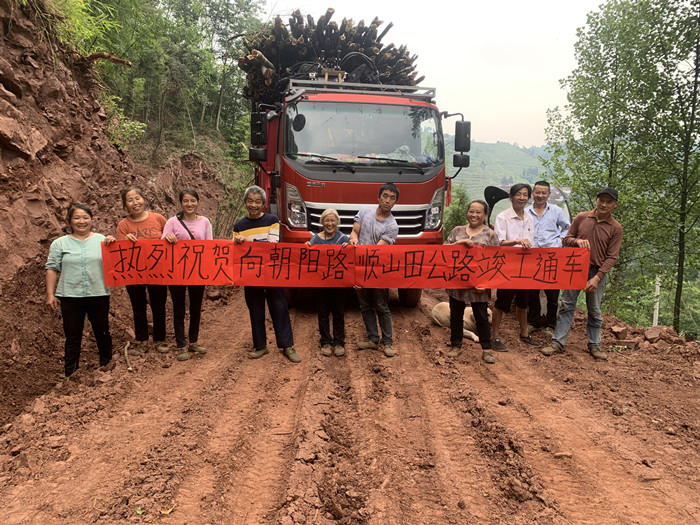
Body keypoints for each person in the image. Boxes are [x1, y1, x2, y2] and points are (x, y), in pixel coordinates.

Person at [541, 187, 623, 360]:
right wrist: (577, 241)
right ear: (596, 200)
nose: (604, 204)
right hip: (574, 268)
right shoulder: (582, 217)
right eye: (601, 200)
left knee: (594, 310)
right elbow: (566, 239)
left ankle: (594, 344)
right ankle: (557, 342)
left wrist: (597, 278)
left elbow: (612, 257)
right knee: (566, 305)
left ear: (615, 205)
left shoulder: (615, 228)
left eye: (609, 202)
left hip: (596, 272)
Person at [233, 185, 300, 364]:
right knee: (256, 310)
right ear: (245, 203)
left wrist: (248, 241)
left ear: (263, 204)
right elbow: (236, 255)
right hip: (251, 275)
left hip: (273, 273)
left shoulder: (272, 220)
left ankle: (287, 346)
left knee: (280, 308)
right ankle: (260, 346)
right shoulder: (238, 226)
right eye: (250, 201)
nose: (253, 205)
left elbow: (272, 244)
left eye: (257, 201)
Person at [46, 204, 114, 378]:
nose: (81, 221)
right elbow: (52, 268)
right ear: (70, 221)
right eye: (76, 218)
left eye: (85, 217)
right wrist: (50, 294)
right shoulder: (59, 243)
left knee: (103, 332)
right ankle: (70, 375)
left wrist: (113, 244)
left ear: (91, 220)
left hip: (98, 293)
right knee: (72, 336)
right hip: (70, 296)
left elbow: (116, 260)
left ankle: (107, 367)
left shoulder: (102, 240)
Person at [444, 200, 500, 364]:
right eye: (471, 211)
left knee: (481, 316)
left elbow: (496, 262)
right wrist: (459, 243)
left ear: (485, 215)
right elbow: (444, 252)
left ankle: (486, 349)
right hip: (457, 283)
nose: (474, 215)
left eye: (478, 212)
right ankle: (456, 345)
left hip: (479, 286)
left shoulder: (490, 235)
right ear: (467, 212)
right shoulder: (457, 231)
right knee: (456, 315)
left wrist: (487, 285)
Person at [349, 183, 400, 357]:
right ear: (378, 197)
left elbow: (376, 251)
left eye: (392, 198)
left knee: (381, 306)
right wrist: (353, 239)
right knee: (365, 306)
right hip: (359, 266)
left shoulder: (392, 226)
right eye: (385, 196)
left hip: (378, 270)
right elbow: (354, 231)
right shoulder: (365, 211)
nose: (387, 201)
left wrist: (363, 275)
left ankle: (388, 343)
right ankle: (372, 339)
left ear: (395, 202)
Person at [116, 187, 168, 356]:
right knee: (137, 306)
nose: (135, 203)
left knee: (158, 304)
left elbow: (170, 237)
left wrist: (170, 237)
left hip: (158, 270)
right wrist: (125, 241)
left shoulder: (158, 218)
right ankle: (142, 340)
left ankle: (160, 339)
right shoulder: (123, 225)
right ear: (125, 205)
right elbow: (119, 252)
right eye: (130, 200)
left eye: (137, 198)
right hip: (134, 272)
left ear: (143, 199)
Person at [162, 189, 213, 362]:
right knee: (179, 309)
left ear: (197, 202)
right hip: (177, 272)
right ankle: (181, 345)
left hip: (197, 271)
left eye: (192, 200)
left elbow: (209, 247)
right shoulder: (172, 222)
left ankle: (193, 342)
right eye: (186, 201)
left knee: (195, 307)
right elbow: (162, 245)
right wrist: (168, 237)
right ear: (181, 203)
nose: (189, 204)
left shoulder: (205, 222)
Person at [490, 183, 539, 351]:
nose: (521, 198)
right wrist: (517, 241)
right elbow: (499, 243)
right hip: (507, 266)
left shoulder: (529, 218)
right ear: (511, 197)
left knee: (523, 302)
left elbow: (532, 242)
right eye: (518, 194)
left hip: (525, 267)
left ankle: (524, 333)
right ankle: (494, 336)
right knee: (502, 301)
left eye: (525, 194)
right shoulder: (503, 217)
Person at [525, 180, 570, 332]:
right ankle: (534, 322)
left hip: (552, 256)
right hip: (532, 257)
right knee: (532, 291)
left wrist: (560, 240)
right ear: (533, 193)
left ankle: (551, 324)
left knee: (552, 293)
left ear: (548, 194)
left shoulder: (556, 211)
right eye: (537, 192)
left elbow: (567, 227)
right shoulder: (526, 212)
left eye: (544, 193)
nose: (540, 195)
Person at [307, 208, 350, 357]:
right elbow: (308, 257)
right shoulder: (315, 239)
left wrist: (349, 247)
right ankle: (325, 341)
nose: (330, 223)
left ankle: (339, 342)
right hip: (321, 284)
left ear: (337, 222)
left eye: (332, 220)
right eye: (327, 220)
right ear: (322, 222)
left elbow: (351, 259)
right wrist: (307, 247)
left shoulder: (344, 239)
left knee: (339, 313)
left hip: (339, 284)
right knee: (323, 313)